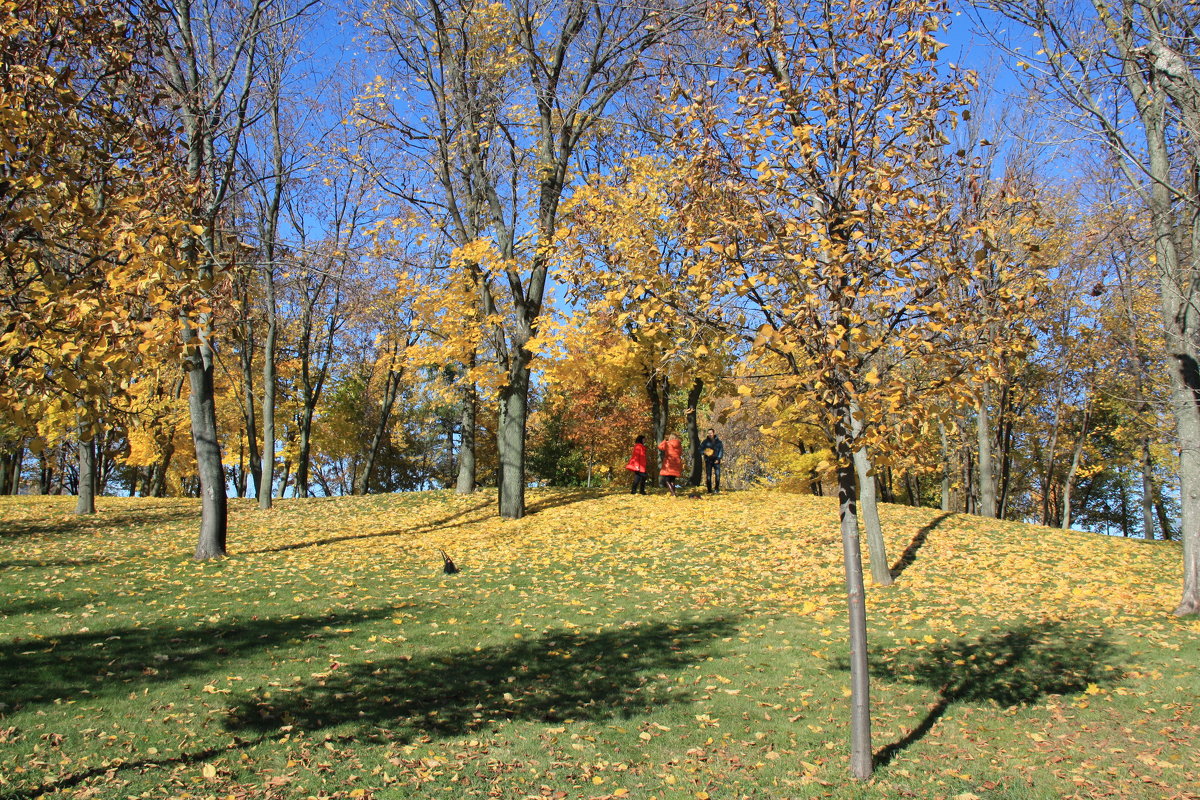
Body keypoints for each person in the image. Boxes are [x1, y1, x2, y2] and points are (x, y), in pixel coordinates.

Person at [701, 427, 724, 493]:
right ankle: (709, 490)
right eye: (708, 433)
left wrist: (718, 458)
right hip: (708, 460)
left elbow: (721, 451)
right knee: (708, 475)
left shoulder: (719, 442)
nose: (709, 434)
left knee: (718, 475)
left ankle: (716, 489)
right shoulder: (705, 442)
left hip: (716, 460)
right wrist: (705, 452)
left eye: (711, 433)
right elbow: (700, 449)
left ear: (714, 433)